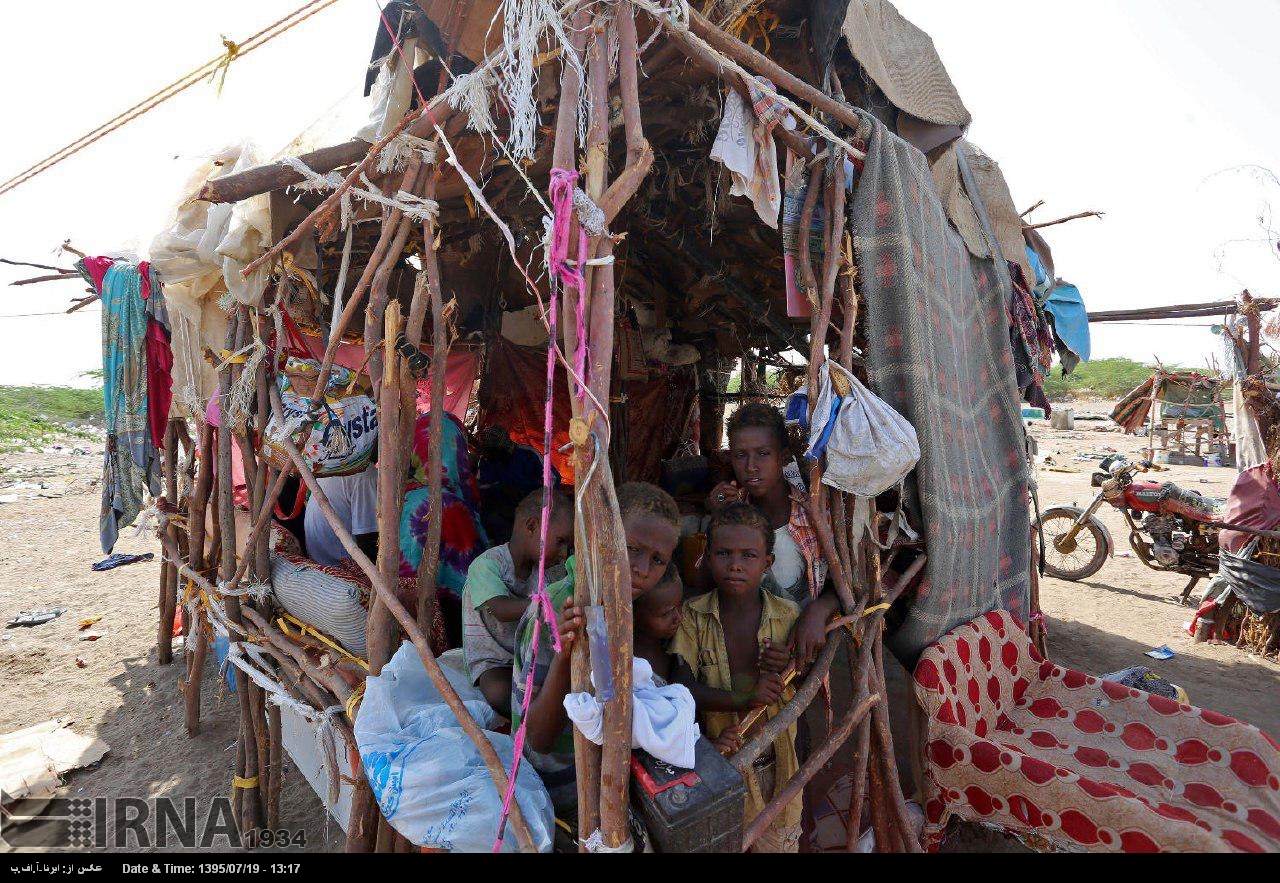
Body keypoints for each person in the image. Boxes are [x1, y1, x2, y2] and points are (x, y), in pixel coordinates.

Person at [511, 482, 681, 816]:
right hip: (557, 787)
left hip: (602, 771)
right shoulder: (556, 610)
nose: (643, 570)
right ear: (601, 534)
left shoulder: (627, 600)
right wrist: (566, 655)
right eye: (632, 549)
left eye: (658, 560)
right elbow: (540, 740)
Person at [672, 503, 801, 853]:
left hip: (778, 763)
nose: (735, 565)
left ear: (768, 563)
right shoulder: (692, 617)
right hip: (719, 761)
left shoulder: (788, 616)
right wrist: (746, 698)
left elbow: (805, 690)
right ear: (707, 557)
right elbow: (683, 691)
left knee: (778, 840)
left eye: (748, 555)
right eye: (724, 554)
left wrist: (787, 665)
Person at [705, 402, 838, 668]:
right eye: (740, 455)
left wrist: (818, 609)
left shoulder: (812, 515)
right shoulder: (732, 512)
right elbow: (703, 580)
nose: (751, 466)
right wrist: (716, 521)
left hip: (796, 650)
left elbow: (845, 583)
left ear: (784, 457)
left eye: (763, 454)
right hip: (738, 649)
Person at [462, 488, 574, 718]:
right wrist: (548, 604)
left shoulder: (549, 573)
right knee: (499, 692)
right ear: (532, 526)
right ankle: (527, 727)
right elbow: (501, 609)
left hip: (527, 655)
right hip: (495, 659)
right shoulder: (487, 565)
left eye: (568, 547)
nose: (564, 553)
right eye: (561, 541)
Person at [400, 411, 489, 649]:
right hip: (443, 621)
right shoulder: (447, 505)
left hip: (403, 616)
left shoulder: (399, 496)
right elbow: (474, 579)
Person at [475, 424, 561, 545]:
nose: (489, 455)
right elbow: (480, 488)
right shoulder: (486, 461)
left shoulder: (528, 455)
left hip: (533, 505)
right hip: (505, 509)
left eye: (492, 452)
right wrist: (500, 487)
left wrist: (536, 497)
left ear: (501, 448)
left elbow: (553, 479)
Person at [303, 464, 379, 566]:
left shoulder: (334, 465)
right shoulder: (365, 473)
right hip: (339, 564)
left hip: (318, 558)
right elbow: (367, 539)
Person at [632, 564, 685, 686]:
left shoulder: (680, 642)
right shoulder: (629, 667)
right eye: (666, 614)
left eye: (679, 606)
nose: (678, 617)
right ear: (634, 615)